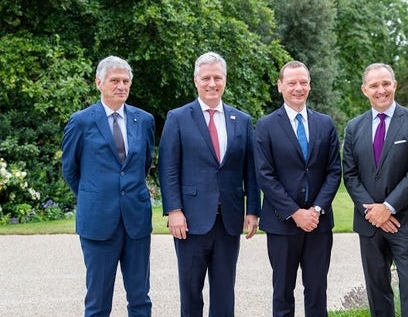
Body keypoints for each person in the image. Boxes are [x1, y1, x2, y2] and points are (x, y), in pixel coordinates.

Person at [158, 51, 260, 316]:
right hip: (190, 221)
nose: (212, 83)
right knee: (191, 292)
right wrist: (174, 211)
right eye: (206, 78)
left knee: (225, 291)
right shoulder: (178, 118)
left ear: (225, 80)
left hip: (229, 220)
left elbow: (251, 169)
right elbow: (168, 168)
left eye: (217, 77)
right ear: (196, 80)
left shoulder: (242, 120)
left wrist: (253, 210)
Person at [61, 55, 155, 316]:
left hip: (135, 221)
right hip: (98, 222)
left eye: (125, 81)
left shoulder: (144, 120)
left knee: (140, 298)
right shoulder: (81, 122)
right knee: (98, 301)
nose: (121, 86)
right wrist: (96, 195)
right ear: (98, 82)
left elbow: (144, 163)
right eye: (114, 80)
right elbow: (70, 169)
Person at [342, 63, 408, 317]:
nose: (381, 90)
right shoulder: (353, 127)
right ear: (364, 90)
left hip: (405, 220)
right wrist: (374, 213)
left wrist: (388, 208)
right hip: (369, 223)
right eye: (374, 85)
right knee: (377, 288)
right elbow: (350, 175)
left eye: (385, 84)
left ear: (394, 85)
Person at [254, 60, 341, 317]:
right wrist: (295, 212)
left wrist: (315, 210)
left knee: (317, 292)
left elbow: (334, 171)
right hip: (282, 224)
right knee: (282, 292)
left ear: (310, 85)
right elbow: (265, 175)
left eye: (303, 82)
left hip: (319, 224)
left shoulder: (325, 124)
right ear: (280, 86)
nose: (298, 88)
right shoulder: (266, 125)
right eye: (291, 82)